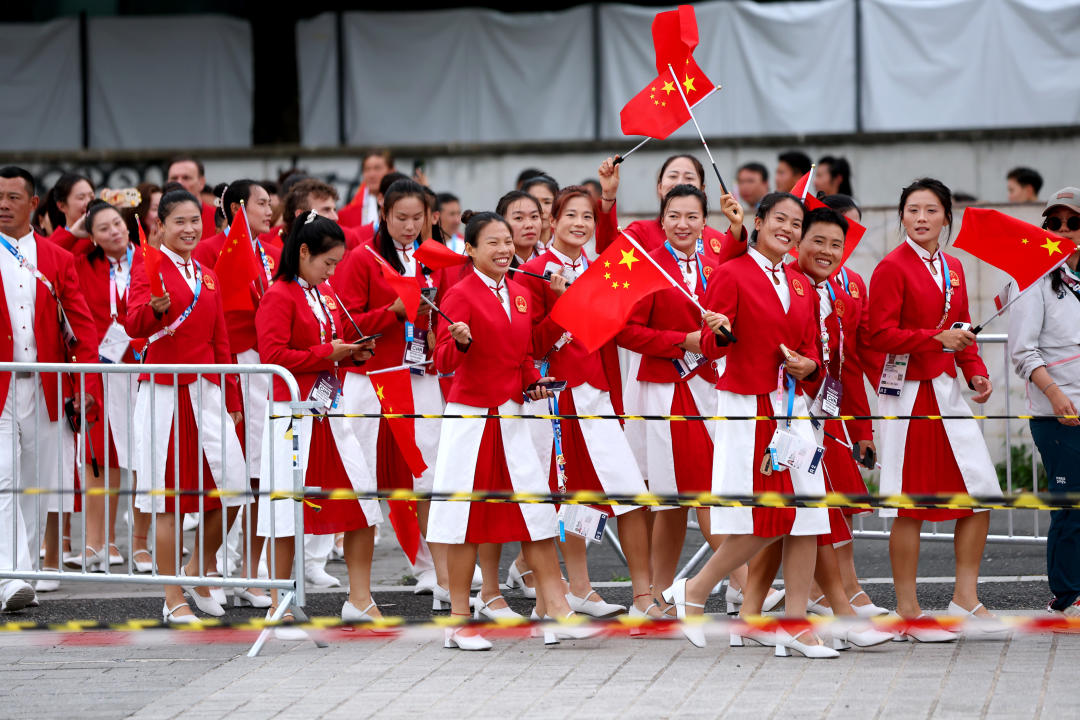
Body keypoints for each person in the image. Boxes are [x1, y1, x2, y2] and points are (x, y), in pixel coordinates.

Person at [663, 192, 838, 658]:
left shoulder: (801, 284)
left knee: (808, 515)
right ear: (758, 223)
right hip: (749, 407)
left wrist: (808, 367)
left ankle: (796, 624)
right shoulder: (731, 273)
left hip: (792, 410)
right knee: (770, 513)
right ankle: (695, 589)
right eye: (780, 219)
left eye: (796, 223)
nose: (788, 229)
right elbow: (711, 347)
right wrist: (714, 333)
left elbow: (809, 353)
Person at [427, 211, 599, 650]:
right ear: (470, 250)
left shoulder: (521, 293)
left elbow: (524, 357)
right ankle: (460, 620)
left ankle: (554, 609)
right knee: (467, 519)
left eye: (508, 241)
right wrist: (460, 342)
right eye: (492, 243)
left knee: (534, 511)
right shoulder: (461, 294)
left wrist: (533, 385)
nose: (504, 249)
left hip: (512, 417)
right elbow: (442, 361)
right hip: (473, 420)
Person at [868, 177, 1003, 641]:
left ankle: (965, 598)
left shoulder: (954, 267)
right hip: (907, 395)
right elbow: (878, 334)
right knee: (910, 504)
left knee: (981, 491)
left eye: (930, 210)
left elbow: (963, 331)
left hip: (947, 392)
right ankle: (908, 611)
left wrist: (975, 371)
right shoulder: (891, 267)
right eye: (912, 210)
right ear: (902, 215)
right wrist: (935, 339)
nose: (920, 218)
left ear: (947, 217)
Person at [517, 186, 652, 620]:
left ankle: (644, 595)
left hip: (598, 393)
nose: (580, 223)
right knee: (570, 493)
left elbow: (621, 331)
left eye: (588, 217)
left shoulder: (603, 269)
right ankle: (578, 587)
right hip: (555, 398)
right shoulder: (533, 273)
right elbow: (530, 345)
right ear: (551, 221)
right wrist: (560, 307)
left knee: (628, 492)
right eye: (570, 215)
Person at [616, 184, 748, 615]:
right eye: (673, 215)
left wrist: (719, 334)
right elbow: (628, 332)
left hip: (709, 388)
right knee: (695, 491)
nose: (682, 224)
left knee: (684, 497)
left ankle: (659, 596)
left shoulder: (715, 265)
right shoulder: (649, 267)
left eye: (692, 216)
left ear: (703, 221)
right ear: (661, 218)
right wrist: (683, 340)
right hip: (666, 392)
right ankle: (743, 586)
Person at [124, 188, 249, 623]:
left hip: (207, 395)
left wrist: (232, 397)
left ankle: (199, 568)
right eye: (179, 221)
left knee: (233, 488)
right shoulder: (147, 266)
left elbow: (222, 342)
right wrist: (155, 311)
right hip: (164, 395)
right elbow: (133, 323)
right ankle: (172, 595)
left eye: (195, 220)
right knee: (168, 501)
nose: (190, 229)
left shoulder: (208, 274)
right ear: (160, 225)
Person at [256, 212, 382, 629]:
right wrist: (328, 353)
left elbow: (334, 341)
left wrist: (354, 352)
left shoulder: (322, 294)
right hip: (294, 414)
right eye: (328, 263)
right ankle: (280, 600)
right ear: (303, 252)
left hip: (330, 411)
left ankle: (360, 598)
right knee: (286, 513)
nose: (333, 271)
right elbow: (272, 356)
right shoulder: (280, 294)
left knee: (363, 504)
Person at [332, 178, 452, 604]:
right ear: (383, 214)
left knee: (430, 478)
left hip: (420, 379)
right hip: (372, 381)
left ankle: (443, 580)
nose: (409, 226)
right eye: (401, 217)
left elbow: (444, 309)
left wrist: (440, 331)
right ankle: (358, 594)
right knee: (363, 482)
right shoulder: (361, 259)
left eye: (417, 218)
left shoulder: (432, 258)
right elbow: (346, 326)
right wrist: (393, 312)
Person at [0, 166, 100, 611]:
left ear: (33, 203)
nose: (3, 204)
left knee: (36, 484)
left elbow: (82, 327)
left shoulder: (58, 259)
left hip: (46, 384)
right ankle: (12, 578)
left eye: (13, 197)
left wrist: (85, 383)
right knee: (3, 480)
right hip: (1, 387)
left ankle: (23, 572)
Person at [191, 180, 279, 607]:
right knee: (228, 473)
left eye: (270, 202)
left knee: (260, 472)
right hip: (229, 365)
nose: (270, 209)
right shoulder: (209, 250)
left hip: (262, 369)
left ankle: (250, 571)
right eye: (261, 202)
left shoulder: (271, 252)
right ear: (237, 207)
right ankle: (204, 566)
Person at [1009, 186, 1080, 616]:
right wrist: (1055, 395)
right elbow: (1022, 351)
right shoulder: (1030, 280)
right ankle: (1068, 597)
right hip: (1057, 415)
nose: (1064, 230)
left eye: (1073, 222)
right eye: (1054, 223)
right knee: (1070, 507)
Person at [68, 200, 144, 573]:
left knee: (145, 455)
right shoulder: (83, 264)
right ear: (92, 237)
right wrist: (77, 230)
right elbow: (54, 253)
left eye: (117, 223)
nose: (114, 231)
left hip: (142, 368)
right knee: (98, 456)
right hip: (100, 370)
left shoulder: (147, 258)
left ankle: (142, 546)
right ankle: (99, 542)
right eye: (103, 228)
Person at [166, 155, 217, 239]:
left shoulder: (219, 220)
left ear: (201, 182)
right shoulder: (156, 220)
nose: (179, 183)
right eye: (174, 178)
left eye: (186, 178)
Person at [342, 149, 395, 227]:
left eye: (377, 168)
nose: (371, 175)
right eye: (367, 169)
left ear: (391, 171)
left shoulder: (405, 206)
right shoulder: (346, 214)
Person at [43, 173, 95, 250]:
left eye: (91, 197)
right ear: (62, 206)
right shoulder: (50, 243)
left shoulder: (101, 237)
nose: (89, 202)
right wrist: (71, 234)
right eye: (81, 198)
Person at [496, 191, 543, 269]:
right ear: (501, 223)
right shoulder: (491, 267)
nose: (529, 225)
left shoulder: (552, 265)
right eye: (518, 218)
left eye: (534, 216)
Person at [521, 175, 559, 254]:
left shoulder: (568, 244)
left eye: (547, 202)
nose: (541, 210)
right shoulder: (513, 247)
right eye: (534, 202)